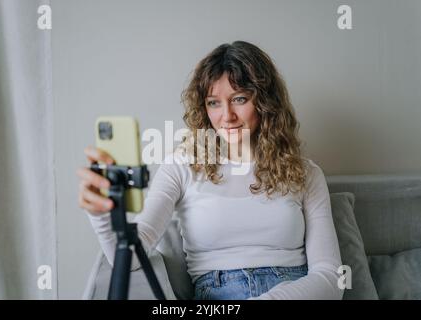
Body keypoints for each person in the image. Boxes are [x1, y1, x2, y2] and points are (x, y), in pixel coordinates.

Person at [76, 41, 344, 300]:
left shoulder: (305, 173)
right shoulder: (180, 167)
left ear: (265, 103)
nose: (227, 116)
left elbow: (331, 278)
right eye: (214, 102)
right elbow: (131, 259)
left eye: (239, 99)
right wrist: (100, 215)